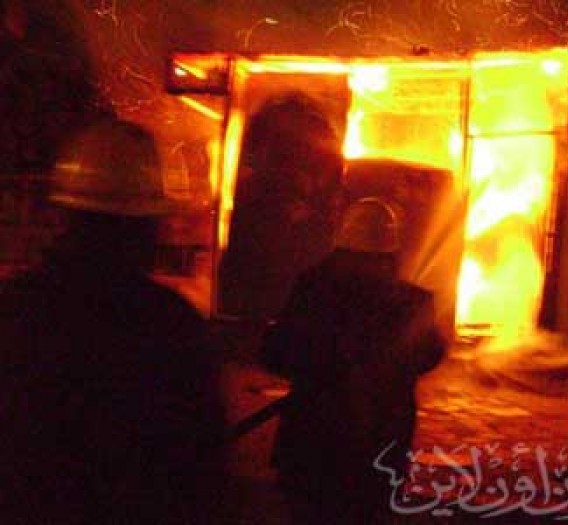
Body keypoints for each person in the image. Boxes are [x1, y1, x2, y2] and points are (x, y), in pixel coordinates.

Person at [0, 118, 229, 524]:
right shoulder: (172, 328)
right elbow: (201, 473)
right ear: (147, 226)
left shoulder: (15, 310)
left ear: (63, 216)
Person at [262, 197, 446, 523]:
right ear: (392, 248)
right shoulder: (411, 303)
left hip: (312, 447)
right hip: (380, 448)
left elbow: (276, 354)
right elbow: (430, 354)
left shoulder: (312, 292)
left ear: (342, 241)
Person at [218, 93, 344, 321]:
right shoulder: (236, 216)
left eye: (310, 159)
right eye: (286, 155)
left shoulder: (318, 223)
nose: (296, 171)